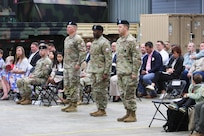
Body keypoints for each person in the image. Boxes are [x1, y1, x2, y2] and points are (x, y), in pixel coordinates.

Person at [116, 20, 141, 122]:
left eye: (120, 27)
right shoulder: (119, 41)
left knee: (129, 94)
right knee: (122, 94)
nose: (118, 29)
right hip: (121, 72)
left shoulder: (131, 41)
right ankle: (128, 112)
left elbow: (137, 58)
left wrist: (135, 72)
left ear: (126, 28)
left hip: (129, 73)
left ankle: (133, 114)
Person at [61, 21, 86, 112]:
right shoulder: (67, 39)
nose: (67, 29)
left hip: (74, 66)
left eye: (69, 27)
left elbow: (83, 52)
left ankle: (74, 104)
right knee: (67, 85)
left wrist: (78, 64)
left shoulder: (78, 39)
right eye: (67, 27)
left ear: (75, 28)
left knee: (74, 85)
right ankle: (70, 102)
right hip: (67, 66)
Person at [88, 25, 111, 117]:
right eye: (93, 31)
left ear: (101, 32)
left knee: (101, 90)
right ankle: (99, 108)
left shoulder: (104, 42)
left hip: (101, 71)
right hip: (94, 70)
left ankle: (102, 109)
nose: (94, 32)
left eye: (96, 31)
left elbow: (108, 59)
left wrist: (106, 72)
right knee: (95, 90)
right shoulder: (94, 42)